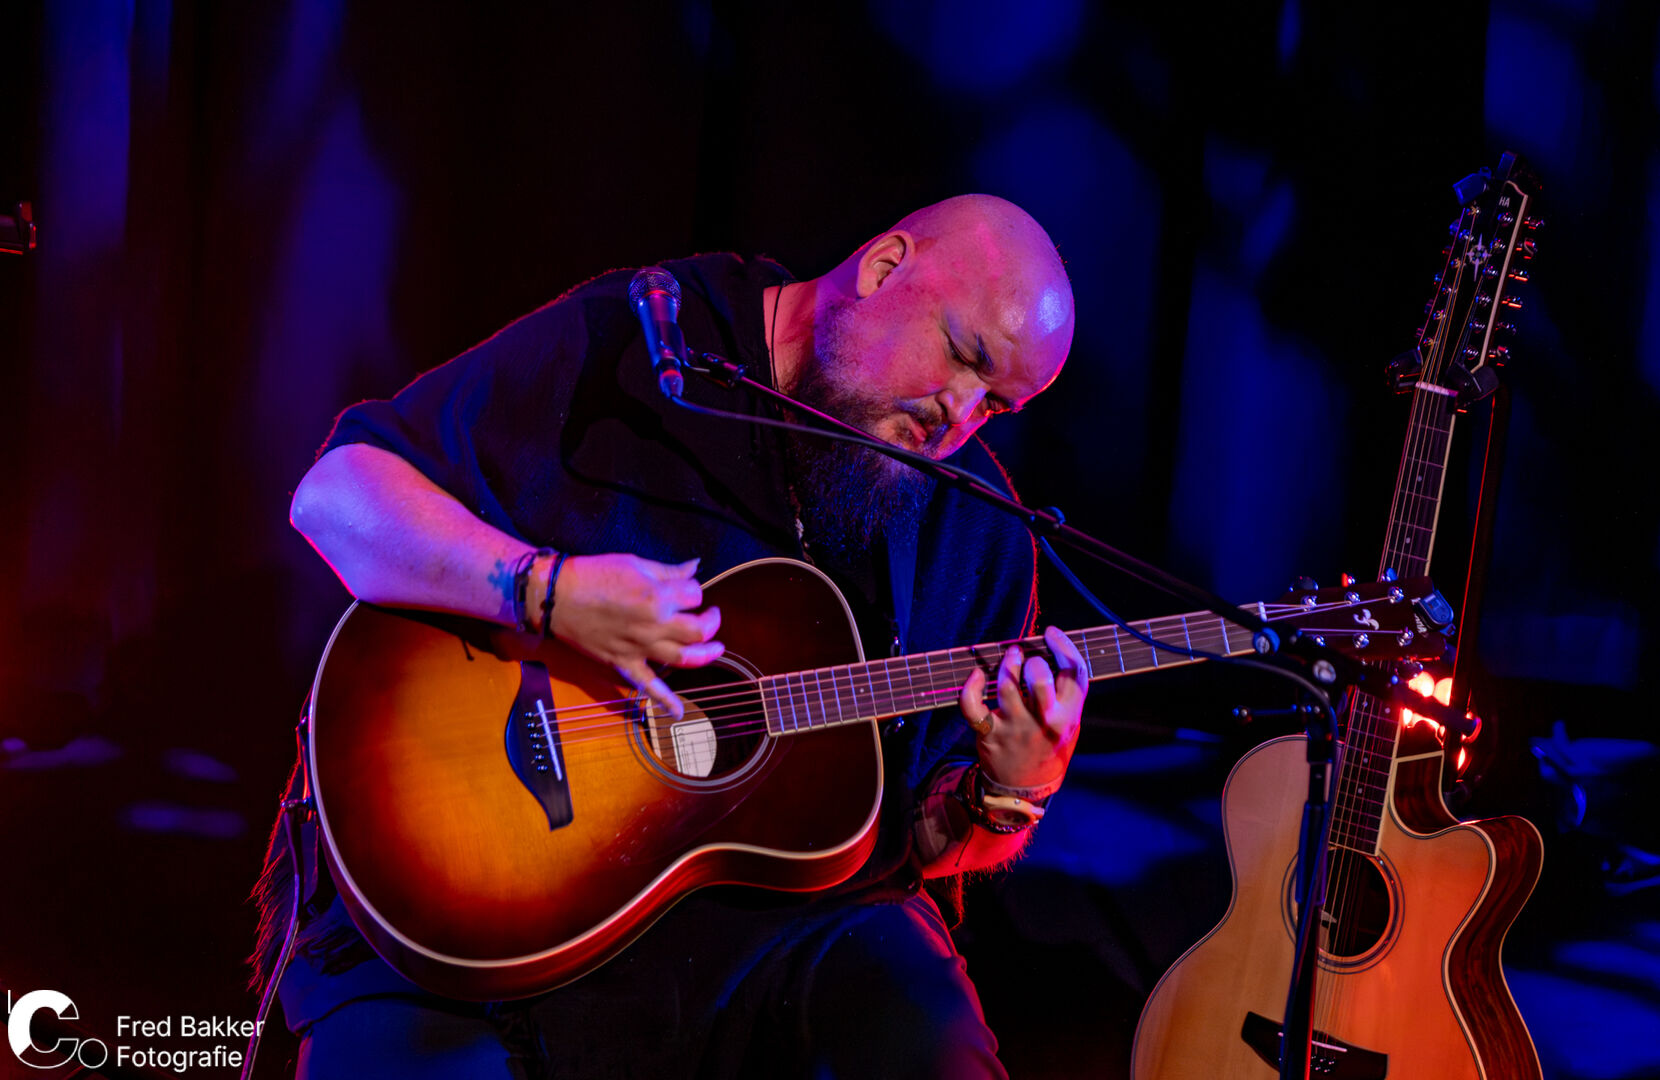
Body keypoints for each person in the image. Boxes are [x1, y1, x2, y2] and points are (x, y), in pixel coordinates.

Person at [255, 193, 1087, 1078]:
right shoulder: (648, 342)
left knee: (928, 1037)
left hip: (771, 939)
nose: (958, 414)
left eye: (996, 406)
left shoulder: (977, 528)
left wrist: (1009, 793)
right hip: (479, 888)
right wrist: (544, 591)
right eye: (963, 355)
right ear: (884, 269)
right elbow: (337, 497)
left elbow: (918, 842)